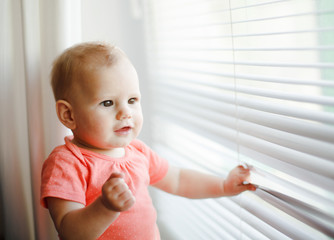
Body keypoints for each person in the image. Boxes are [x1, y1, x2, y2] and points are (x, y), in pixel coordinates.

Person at [40, 41, 256, 240]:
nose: (125, 113)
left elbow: (178, 179)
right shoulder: (67, 163)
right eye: (107, 103)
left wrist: (223, 185)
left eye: (132, 100)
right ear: (69, 115)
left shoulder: (137, 151)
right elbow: (69, 233)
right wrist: (105, 207)